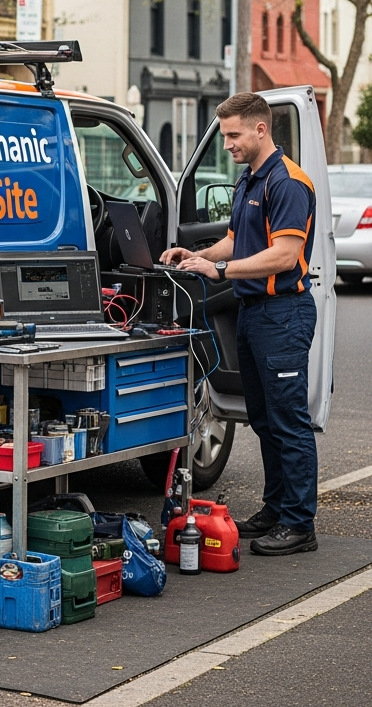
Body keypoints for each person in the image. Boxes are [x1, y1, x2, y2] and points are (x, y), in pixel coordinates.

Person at [160, 92, 319, 555]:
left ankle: (299, 524)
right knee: (265, 420)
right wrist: (197, 256)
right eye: (224, 135)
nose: (227, 143)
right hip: (254, 313)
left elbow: (285, 255)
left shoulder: (288, 182)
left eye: (233, 134)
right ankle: (276, 508)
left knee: (289, 422)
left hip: (283, 314)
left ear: (260, 129)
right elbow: (236, 240)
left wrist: (221, 271)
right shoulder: (249, 179)